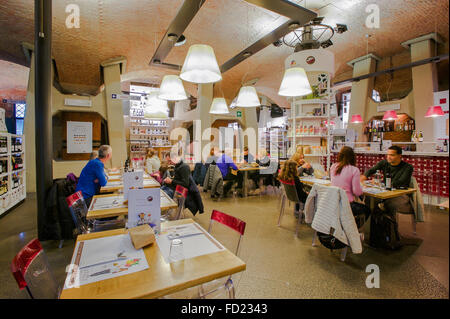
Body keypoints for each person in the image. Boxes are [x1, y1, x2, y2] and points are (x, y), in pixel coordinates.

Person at [361, 145, 414, 215]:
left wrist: (380, 182)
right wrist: (364, 176)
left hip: (400, 194)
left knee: (388, 204)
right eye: (387, 155)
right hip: (385, 192)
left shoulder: (408, 167)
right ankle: (377, 222)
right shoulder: (384, 163)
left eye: (392, 155)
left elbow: (400, 182)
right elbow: (372, 170)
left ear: (400, 156)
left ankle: (389, 223)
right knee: (369, 199)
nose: (388, 157)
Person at [330, 146, 369, 220]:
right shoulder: (354, 170)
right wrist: (361, 187)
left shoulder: (333, 167)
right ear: (353, 157)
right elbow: (357, 192)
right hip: (347, 205)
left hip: (334, 203)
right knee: (368, 210)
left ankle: (349, 228)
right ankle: (355, 229)